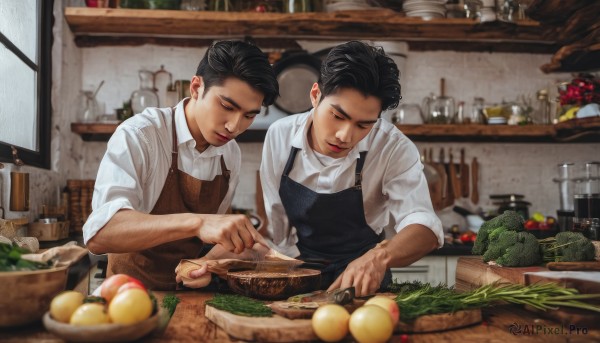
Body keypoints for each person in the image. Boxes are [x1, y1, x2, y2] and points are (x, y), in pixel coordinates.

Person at [83, 40, 279, 291]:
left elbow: (216, 239)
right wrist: (197, 222)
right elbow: (100, 234)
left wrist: (208, 263)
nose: (234, 127)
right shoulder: (141, 134)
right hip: (125, 297)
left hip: (188, 296)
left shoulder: (229, 154)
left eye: (249, 115)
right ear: (196, 87)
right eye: (227, 107)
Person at [259, 41, 443, 296]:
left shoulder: (393, 147)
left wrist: (379, 257)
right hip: (298, 274)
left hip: (365, 279)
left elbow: (425, 227)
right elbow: (275, 227)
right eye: (337, 116)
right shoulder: (280, 136)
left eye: (363, 125)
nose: (345, 136)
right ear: (315, 95)